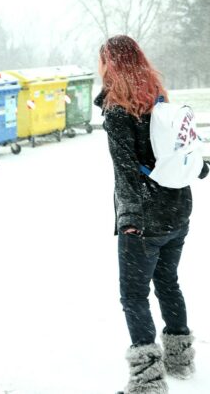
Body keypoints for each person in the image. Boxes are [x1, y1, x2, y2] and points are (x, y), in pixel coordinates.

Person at [95, 35, 208, 393]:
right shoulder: (157, 96)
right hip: (178, 209)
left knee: (133, 295)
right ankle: (179, 361)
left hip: (145, 220)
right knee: (168, 283)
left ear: (110, 65)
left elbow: (126, 171)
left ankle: (147, 382)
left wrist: (130, 221)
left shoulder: (118, 111)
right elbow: (178, 148)